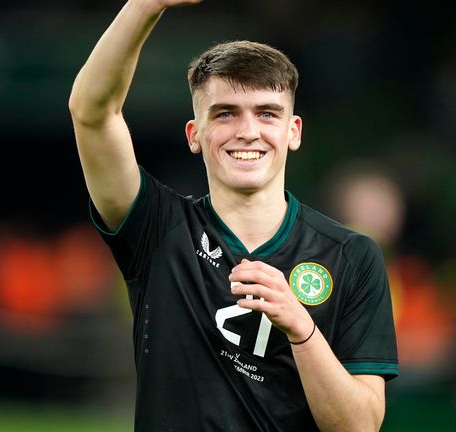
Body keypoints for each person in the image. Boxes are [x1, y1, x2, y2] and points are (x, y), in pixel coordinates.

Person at [68, 1, 398, 430]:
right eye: (225, 113)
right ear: (195, 134)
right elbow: (92, 114)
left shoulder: (352, 255)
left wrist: (301, 328)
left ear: (292, 132)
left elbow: (361, 426)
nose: (247, 131)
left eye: (267, 114)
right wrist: (147, 5)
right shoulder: (158, 228)